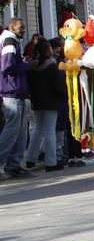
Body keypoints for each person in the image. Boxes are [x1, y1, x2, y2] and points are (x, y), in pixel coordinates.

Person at [0, 17, 36, 180]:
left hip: (16, 91)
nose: (23, 30)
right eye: (20, 27)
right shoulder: (9, 41)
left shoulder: (11, 41)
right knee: (13, 130)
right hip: (11, 92)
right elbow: (7, 66)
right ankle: (5, 162)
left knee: (20, 132)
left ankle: (13, 164)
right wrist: (27, 65)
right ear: (12, 27)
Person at [24, 39, 65, 171]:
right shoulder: (52, 66)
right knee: (49, 131)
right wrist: (62, 96)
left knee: (37, 129)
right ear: (48, 50)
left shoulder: (32, 67)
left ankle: (30, 159)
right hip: (51, 102)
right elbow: (57, 86)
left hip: (36, 101)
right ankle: (51, 162)